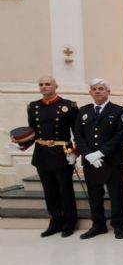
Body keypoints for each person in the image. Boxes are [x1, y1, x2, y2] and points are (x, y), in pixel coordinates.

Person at [26, 76, 78, 237]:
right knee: (49, 190)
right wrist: (21, 142)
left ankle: (69, 222)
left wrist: (75, 152)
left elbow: (78, 133)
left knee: (65, 189)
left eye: (47, 84)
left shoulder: (68, 106)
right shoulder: (33, 107)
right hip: (42, 154)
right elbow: (32, 132)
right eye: (41, 84)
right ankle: (55, 221)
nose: (44, 87)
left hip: (62, 153)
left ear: (56, 86)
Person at [75, 79, 123, 239]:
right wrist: (88, 154)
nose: (97, 91)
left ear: (108, 92)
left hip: (112, 160)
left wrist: (101, 153)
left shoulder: (118, 111)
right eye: (94, 89)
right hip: (90, 161)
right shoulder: (83, 111)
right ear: (90, 92)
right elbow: (78, 135)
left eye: (101, 88)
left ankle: (118, 225)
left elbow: (120, 135)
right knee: (94, 194)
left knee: (116, 194)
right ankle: (98, 225)